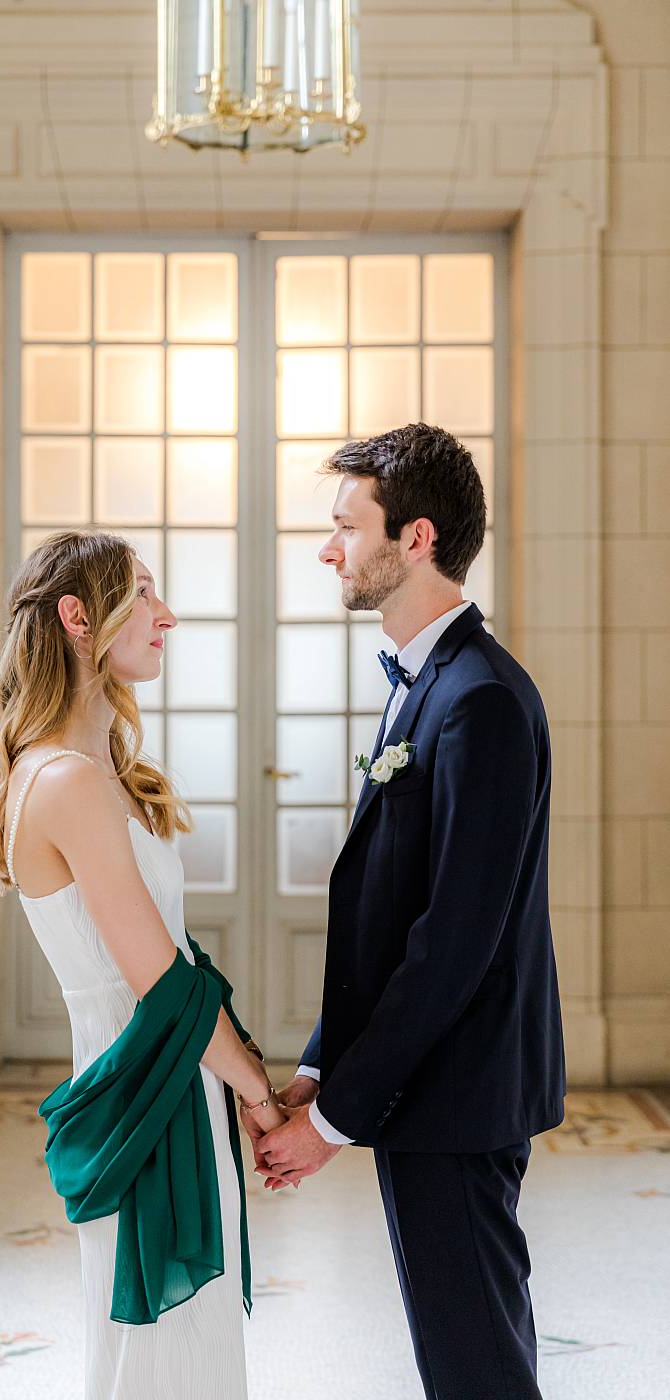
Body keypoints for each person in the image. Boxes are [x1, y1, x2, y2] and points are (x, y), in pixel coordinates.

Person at [256, 424, 566, 1400]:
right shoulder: (423, 683)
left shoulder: (480, 700)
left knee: (475, 1363)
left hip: (458, 1096)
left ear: (416, 537)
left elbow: (451, 946)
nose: (326, 547)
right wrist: (320, 1060)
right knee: (459, 1351)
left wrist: (336, 1117)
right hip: (428, 1091)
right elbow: (389, 914)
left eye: (345, 525)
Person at [0, 528, 284, 1400]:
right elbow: (164, 982)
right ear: (78, 616)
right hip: (146, 1089)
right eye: (142, 592)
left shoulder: (89, 766)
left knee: (173, 1344)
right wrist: (258, 1092)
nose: (166, 615)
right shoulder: (64, 780)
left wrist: (239, 1086)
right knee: (166, 1351)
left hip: (169, 1074)